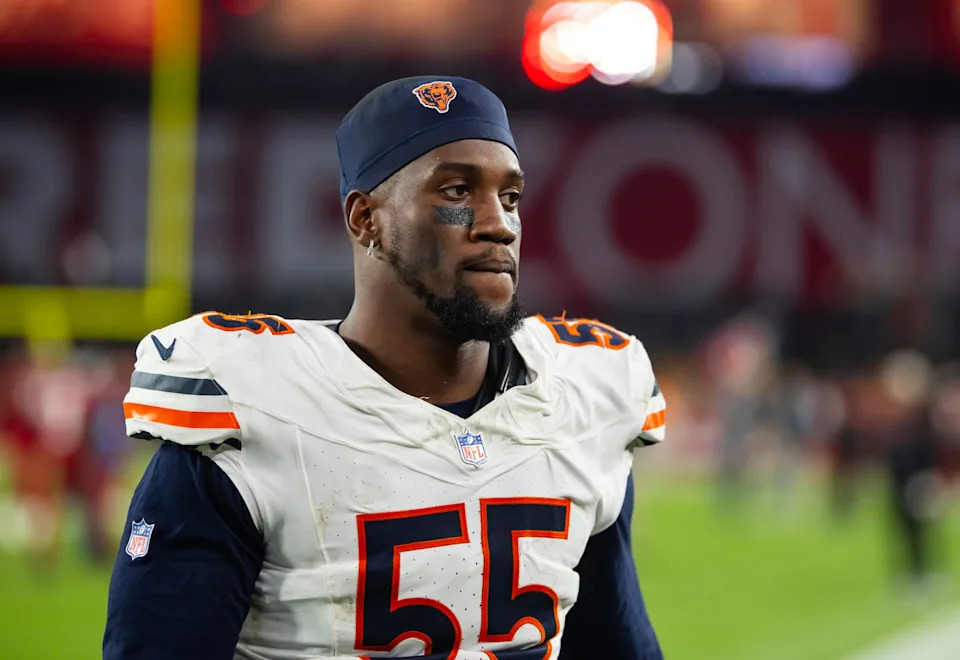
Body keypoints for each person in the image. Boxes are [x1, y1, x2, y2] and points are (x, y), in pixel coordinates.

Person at [103, 76, 666, 659]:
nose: (498, 222)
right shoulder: (254, 410)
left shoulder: (580, 397)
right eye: (455, 191)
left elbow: (614, 643)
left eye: (511, 197)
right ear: (364, 219)